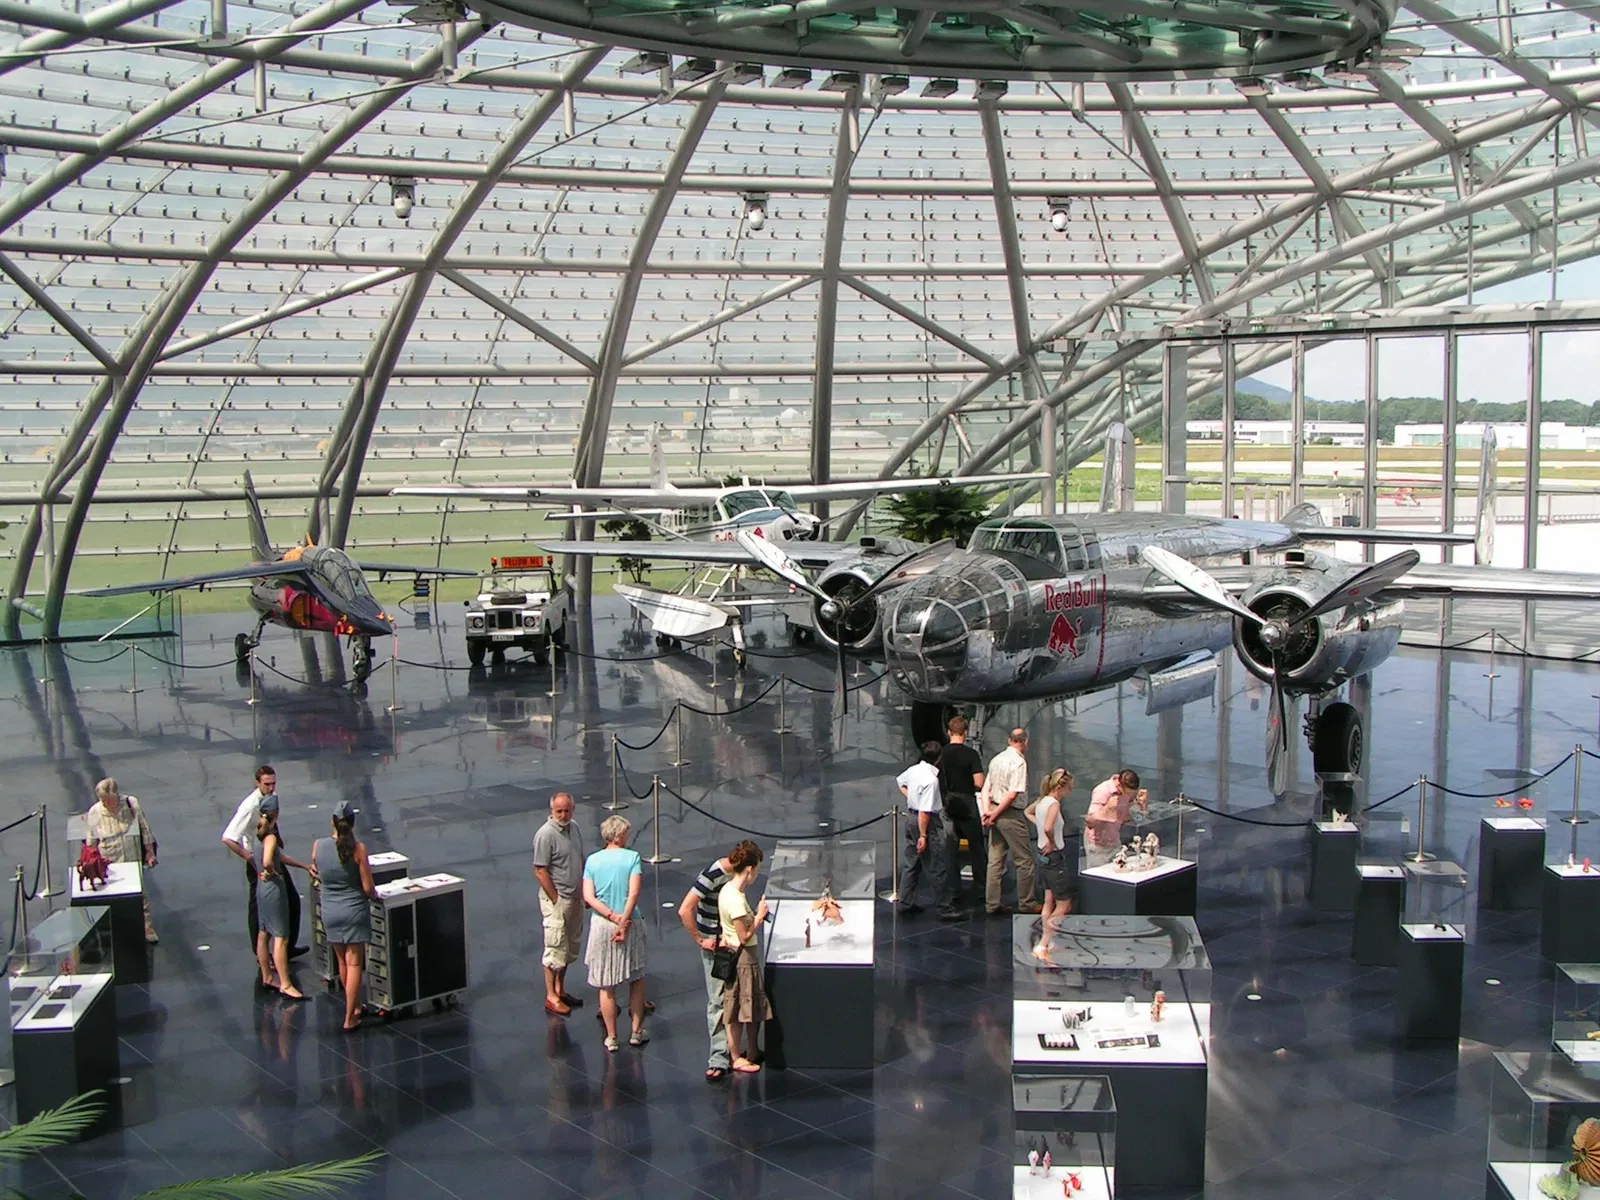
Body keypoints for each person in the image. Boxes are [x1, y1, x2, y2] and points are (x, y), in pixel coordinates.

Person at [223, 765, 306, 960]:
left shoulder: (271, 798)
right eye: (267, 784)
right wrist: (249, 857)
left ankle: (287, 947)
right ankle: (260, 951)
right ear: (257, 783)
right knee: (257, 906)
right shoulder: (250, 805)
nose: (271, 787)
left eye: (273, 783)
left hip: (272, 855)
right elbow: (228, 837)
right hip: (260, 859)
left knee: (292, 900)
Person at [582, 815, 647, 1052]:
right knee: (637, 979)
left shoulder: (592, 860)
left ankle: (611, 1037)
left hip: (602, 925)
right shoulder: (632, 858)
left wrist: (611, 916)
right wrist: (624, 919)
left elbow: (589, 897)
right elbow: (634, 893)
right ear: (619, 835)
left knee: (606, 985)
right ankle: (636, 1032)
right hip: (631, 922)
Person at [311, 801, 378, 1031]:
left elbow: (317, 871)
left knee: (342, 962)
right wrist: (376, 896)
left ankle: (356, 1006)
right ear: (353, 823)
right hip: (353, 912)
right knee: (355, 964)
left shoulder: (318, 846)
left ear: (332, 821)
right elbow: (368, 887)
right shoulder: (358, 850)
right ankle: (350, 1017)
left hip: (330, 912)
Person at [677, 848, 736, 1082]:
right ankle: (719, 1057)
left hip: (729, 942)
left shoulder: (735, 877)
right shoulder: (714, 875)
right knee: (718, 999)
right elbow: (685, 908)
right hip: (717, 946)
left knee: (731, 997)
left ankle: (734, 1051)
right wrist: (700, 939)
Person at [718, 840, 771, 1075]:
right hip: (743, 960)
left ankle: (750, 1050)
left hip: (739, 957)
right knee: (741, 1007)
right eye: (756, 870)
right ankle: (738, 1055)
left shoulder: (728, 890)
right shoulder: (736, 900)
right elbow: (744, 935)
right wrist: (759, 917)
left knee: (745, 1006)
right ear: (749, 870)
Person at [84, 778, 159, 943]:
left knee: (139, 893)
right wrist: (90, 859)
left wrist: (149, 852)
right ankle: (111, 930)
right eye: (102, 799)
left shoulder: (131, 803)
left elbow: (144, 828)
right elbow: (91, 840)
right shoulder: (95, 811)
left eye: (108, 799)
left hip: (131, 854)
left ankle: (146, 927)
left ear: (116, 795)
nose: (105, 803)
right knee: (110, 894)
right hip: (109, 858)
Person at [253, 795, 312, 999]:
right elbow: (270, 860)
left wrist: (302, 865)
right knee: (281, 937)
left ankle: (267, 976)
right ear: (276, 813)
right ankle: (286, 984)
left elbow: (273, 857)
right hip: (273, 891)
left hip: (261, 889)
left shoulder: (258, 836)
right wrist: (272, 872)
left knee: (263, 933)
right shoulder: (270, 837)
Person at [896, 741, 962, 921]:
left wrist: (912, 798)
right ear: (939, 758)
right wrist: (924, 835)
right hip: (923, 822)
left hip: (910, 817)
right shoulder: (931, 780)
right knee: (935, 866)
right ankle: (944, 907)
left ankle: (905, 902)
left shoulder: (914, 770)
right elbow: (925, 812)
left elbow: (900, 782)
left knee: (912, 864)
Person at [533, 792, 585, 1016]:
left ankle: (560, 989)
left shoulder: (575, 828)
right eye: (559, 811)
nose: (563, 815)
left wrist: (583, 891)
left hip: (575, 897)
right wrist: (555, 899)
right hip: (558, 900)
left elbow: (579, 859)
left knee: (569, 947)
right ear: (551, 811)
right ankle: (551, 996)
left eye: (567, 810)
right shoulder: (545, 835)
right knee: (554, 947)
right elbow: (540, 870)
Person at [982, 728, 1038, 916]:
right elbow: (1013, 793)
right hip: (1009, 815)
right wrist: (996, 814)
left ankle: (992, 903)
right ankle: (1027, 902)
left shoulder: (996, 759)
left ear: (1009, 740)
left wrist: (987, 812)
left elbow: (986, 788)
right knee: (1024, 860)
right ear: (1025, 742)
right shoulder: (1018, 763)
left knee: (995, 860)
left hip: (993, 810)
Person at [938, 715, 986, 906]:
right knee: (976, 846)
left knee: (950, 847)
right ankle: (981, 888)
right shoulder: (971, 754)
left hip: (947, 801)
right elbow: (979, 782)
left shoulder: (941, 754)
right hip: (967, 801)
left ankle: (953, 890)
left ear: (949, 732)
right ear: (965, 733)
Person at [1026, 769, 1076, 919]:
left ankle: (1045, 937)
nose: (1071, 791)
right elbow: (1048, 828)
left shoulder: (1042, 801)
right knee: (1064, 905)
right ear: (1059, 787)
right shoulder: (1054, 805)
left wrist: (1040, 825)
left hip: (1042, 856)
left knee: (1048, 900)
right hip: (1054, 857)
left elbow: (1028, 812)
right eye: (1069, 787)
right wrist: (1052, 841)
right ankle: (1048, 937)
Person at [1084, 769, 1150, 868]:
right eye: (1126, 793)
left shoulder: (1127, 793)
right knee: (1100, 877)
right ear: (1119, 785)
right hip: (1098, 844)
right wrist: (1107, 808)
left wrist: (1141, 805)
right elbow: (1090, 823)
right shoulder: (1102, 791)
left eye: (1130, 794)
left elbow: (1128, 816)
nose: (1127, 796)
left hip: (1115, 841)